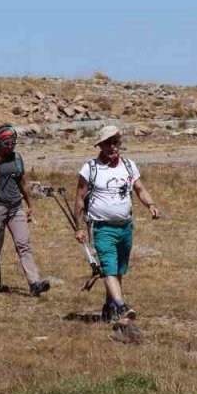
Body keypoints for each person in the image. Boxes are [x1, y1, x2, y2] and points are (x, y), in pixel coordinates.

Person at [75, 125, 160, 322]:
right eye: (108, 143)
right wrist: (79, 227)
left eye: (116, 143)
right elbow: (79, 198)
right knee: (108, 269)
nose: (113, 147)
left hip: (125, 226)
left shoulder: (129, 165)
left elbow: (139, 189)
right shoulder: (90, 168)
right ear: (101, 145)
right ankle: (122, 308)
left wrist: (151, 204)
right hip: (102, 227)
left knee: (119, 269)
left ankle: (109, 306)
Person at [0, 124, 51, 296]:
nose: (11, 146)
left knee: (23, 244)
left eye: (13, 143)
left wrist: (30, 205)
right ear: (0, 143)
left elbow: (23, 182)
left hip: (16, 207)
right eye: (7, 143)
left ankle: (34, 283)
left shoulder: (17, 158)